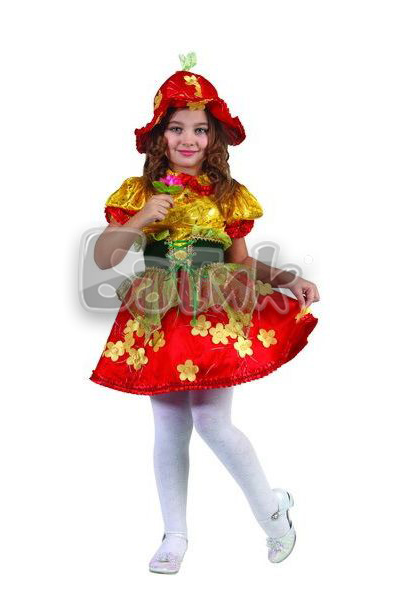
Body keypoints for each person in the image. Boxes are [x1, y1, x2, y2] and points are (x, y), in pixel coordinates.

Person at [90, 52, 320, 573]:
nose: (188, 139)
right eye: (176, 128)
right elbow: (103, 256)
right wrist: (140, 219)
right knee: (169, 423)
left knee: (213, 420)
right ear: (160, 136)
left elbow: (242, 262)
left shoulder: (227, 195)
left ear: (213, 137)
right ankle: (175, 534)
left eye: (199, 129)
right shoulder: (140, 192)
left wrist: (289, 279)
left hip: (214, 308)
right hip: (160, 312)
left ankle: (272, 513)